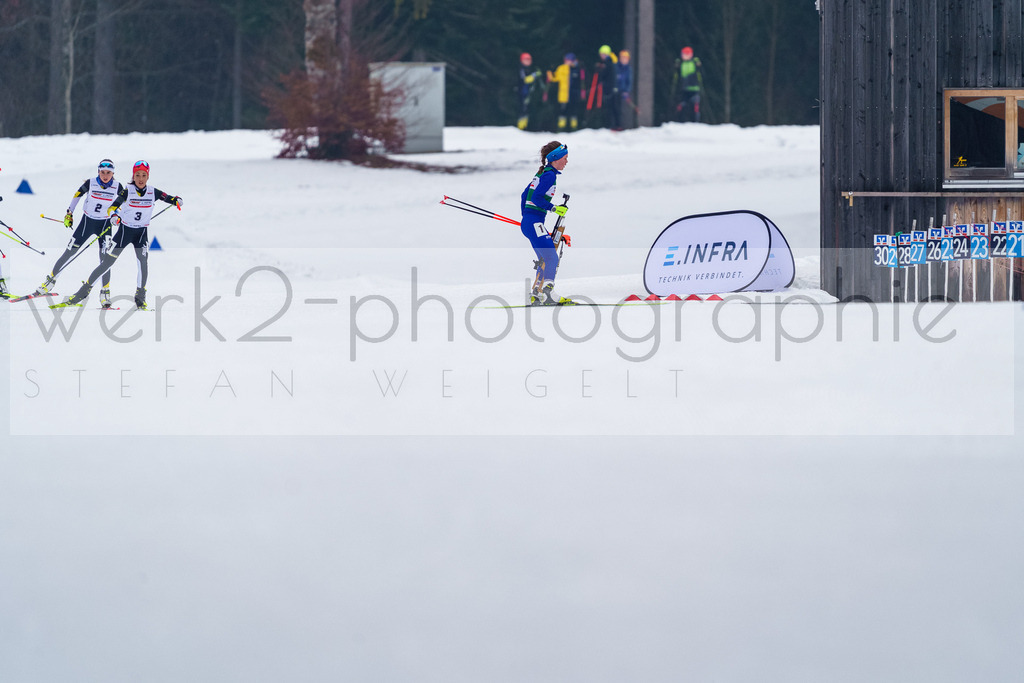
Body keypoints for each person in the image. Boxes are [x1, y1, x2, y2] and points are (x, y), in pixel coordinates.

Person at [55, 160, 181, 310]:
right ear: (133, 176)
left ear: (148, 177)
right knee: (107, 263)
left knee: (143, 263)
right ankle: (83, 292)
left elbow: (168, 198)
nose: (140, 179)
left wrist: (177, 200)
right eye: (137, 175)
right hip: (124, 233)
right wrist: (114, 216)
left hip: (141, 233)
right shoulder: (127, 191)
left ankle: (140, 298)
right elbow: (112, 207)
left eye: (143, 175)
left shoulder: (153, 192)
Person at [33, 159, 124, 306]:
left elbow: (122, 203)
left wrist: (116, 215)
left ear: (113, 173)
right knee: (69, 252)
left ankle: (105, 293)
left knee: (105, 260)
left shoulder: (118, 186)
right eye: (102, 172)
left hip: (105, 225)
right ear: (98, 172)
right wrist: (69, 213)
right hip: (87, 223)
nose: (105, 175)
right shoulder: (91, 183)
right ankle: (49, 282)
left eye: (108, 173)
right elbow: (77, 195)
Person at [520, 141, 573, 306]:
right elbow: (536, 198)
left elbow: (524, 196)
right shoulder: (549, 175)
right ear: (556, 158)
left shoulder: (543, 173)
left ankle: (537, 294)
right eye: (565, 158)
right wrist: (554, 208)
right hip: (534, 222)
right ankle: (548, 294)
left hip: (531, 222)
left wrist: (526, 218)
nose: (566, 161)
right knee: (551, 258)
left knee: (544, 259)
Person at [546, 53, 586, 132]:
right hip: (563, 95)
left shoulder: (577, 69)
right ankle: (561, 128)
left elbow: (581, 81)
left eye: (568, 60)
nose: (566, 61)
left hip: (573, 94)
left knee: (573, 111)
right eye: (566, 60)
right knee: (562, 111)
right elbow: (555, 78)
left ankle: (574, 128)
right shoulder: (561, 68)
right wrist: (549, 73)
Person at [588, 45, 619, 129]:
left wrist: (599, 70)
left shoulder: (608, 63)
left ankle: (614, 125)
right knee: (612, 107)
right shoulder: (610, 62)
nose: (601, 56)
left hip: (610, 89)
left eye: (602, 54)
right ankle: (615, 125)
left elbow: (605, 75)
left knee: (611, 107)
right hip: (610, 88)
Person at [672, 46, 702, 122]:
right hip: (684, 88)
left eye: (686, 54)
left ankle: (695, 120)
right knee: (682, 105)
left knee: (694, 105)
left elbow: (698, 72)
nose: (684, 56)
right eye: (683, 54)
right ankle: (680, 120)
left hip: (694, 88)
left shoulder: (693, 63)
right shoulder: (681, 63)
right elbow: (678, 74)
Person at [517, 52, 543, 130]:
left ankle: (525, 127)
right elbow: (525, 80)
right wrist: (534, 75)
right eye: (526, 59)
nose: (528, 61)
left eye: (529, 59)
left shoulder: (529, 69)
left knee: (527, 110)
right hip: (521, 92)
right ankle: (520, 128)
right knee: (522, 109)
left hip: (527, 92)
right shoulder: (521, 69)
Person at [617, 49, 634, 128]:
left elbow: (629, 81)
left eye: (625, 58)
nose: (624, 60)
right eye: (622, 58)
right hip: (616, 91)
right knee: (615, 109)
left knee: (623, 110)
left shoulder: (628, 69)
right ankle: (616, 125)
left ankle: (622, 126)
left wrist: (626, 91)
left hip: (624, 92)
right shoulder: (616, 67)